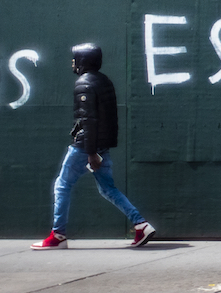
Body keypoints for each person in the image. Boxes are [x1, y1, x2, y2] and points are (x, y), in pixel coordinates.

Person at [32, 43, 155, 250]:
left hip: (84, 147)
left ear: (83, 61)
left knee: (62, 186)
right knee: (108, 188)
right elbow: (109, 119)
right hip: (100, 146)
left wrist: (91, 153)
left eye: (75, 58)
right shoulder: (104, 81)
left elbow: (88, 120)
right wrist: (102, 148)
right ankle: (141, 224)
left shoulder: (84, 83)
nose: (72, 62)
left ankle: (58, 235)